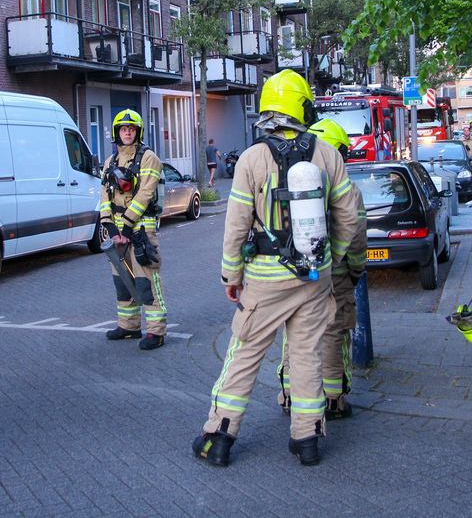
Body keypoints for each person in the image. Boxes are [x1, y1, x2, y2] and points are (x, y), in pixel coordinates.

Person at [193, 70, 361, 468]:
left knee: (245, 354)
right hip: (314, 280)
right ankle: (307, 439)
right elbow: (349, 217)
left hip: (266, 280)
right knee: (306, 356)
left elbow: (236, 226)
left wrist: (230, 277)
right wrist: (330, 258)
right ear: (302, 107)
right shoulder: (327, 154)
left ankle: (219, 437)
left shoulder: (252, 158)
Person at [277, 117, 367, 420]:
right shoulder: (349, 189)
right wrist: (354, 271)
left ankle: (290, 395)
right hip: (336, 274)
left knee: (295, 335)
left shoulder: (289, 180)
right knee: (333, 333)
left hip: (297, 270)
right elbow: (355, 238)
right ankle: (333, 400)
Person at [99, 109, 167, 350]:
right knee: (122, 280)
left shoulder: (150, 159)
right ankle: (128, 326)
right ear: (117, 133)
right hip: (117, 232)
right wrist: (107, 223)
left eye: (131, 129)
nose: (127, 132)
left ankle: (156, 332)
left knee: (146, 280)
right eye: (123, 129)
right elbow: (105, 196)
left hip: (140, 231)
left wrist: (126, 226)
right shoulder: (110, 162)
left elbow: (145, 195)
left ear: (138, 132)